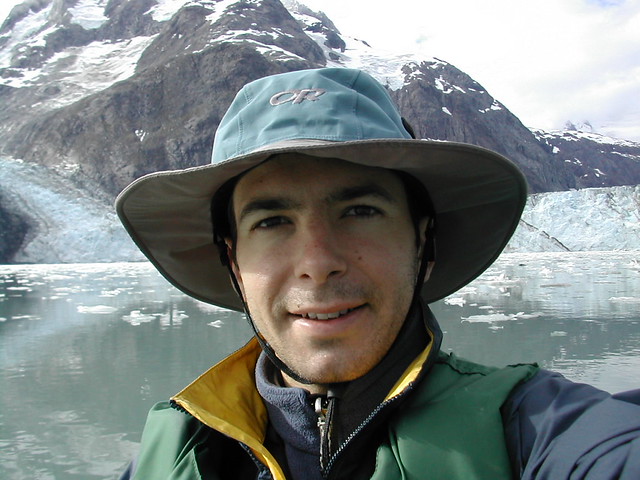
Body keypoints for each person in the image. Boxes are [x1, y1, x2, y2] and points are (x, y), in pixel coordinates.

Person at [116, 68, 640, 479]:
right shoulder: (172, 459)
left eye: (361, 211)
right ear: (233, 261)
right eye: (272, 221)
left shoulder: (532, 430)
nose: (318, 262)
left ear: (423, 242)